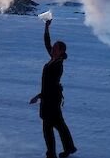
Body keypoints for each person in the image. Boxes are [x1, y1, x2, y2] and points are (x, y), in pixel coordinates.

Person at [30, 19, 77, 158]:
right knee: (60, 126)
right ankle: (69, 148)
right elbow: (46, 44)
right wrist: (46, 28)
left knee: (48, 128)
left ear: (61, 51)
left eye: (56, 48)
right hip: (51, 99)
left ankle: (52, 154)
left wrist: (38, 96)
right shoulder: (53, 58)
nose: (52, 49)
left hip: (51, 100)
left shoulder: (57, 65)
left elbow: (50, 87)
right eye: (54, 47)